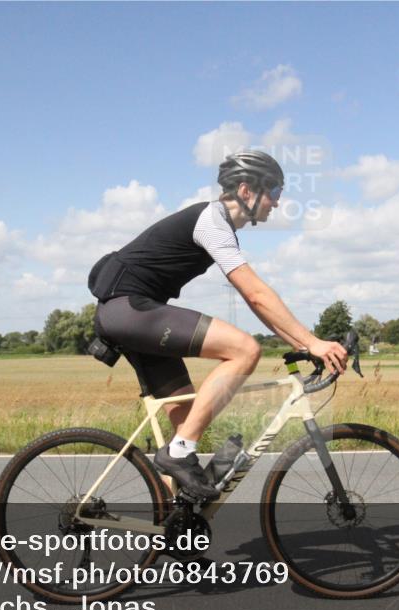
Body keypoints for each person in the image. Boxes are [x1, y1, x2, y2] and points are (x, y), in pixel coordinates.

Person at [88, 150, 348, 500]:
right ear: (246, 191)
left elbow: (256, 304)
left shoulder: (218, 225)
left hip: (131, 313)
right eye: (273, 192)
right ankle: (178, 453)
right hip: (130, 310)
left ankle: (175, 528)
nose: (276, 202)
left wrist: (304, 344)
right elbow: (255, 294)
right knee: (245, 349)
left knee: (186, 421)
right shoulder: (212, 221)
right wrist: (314, 342)